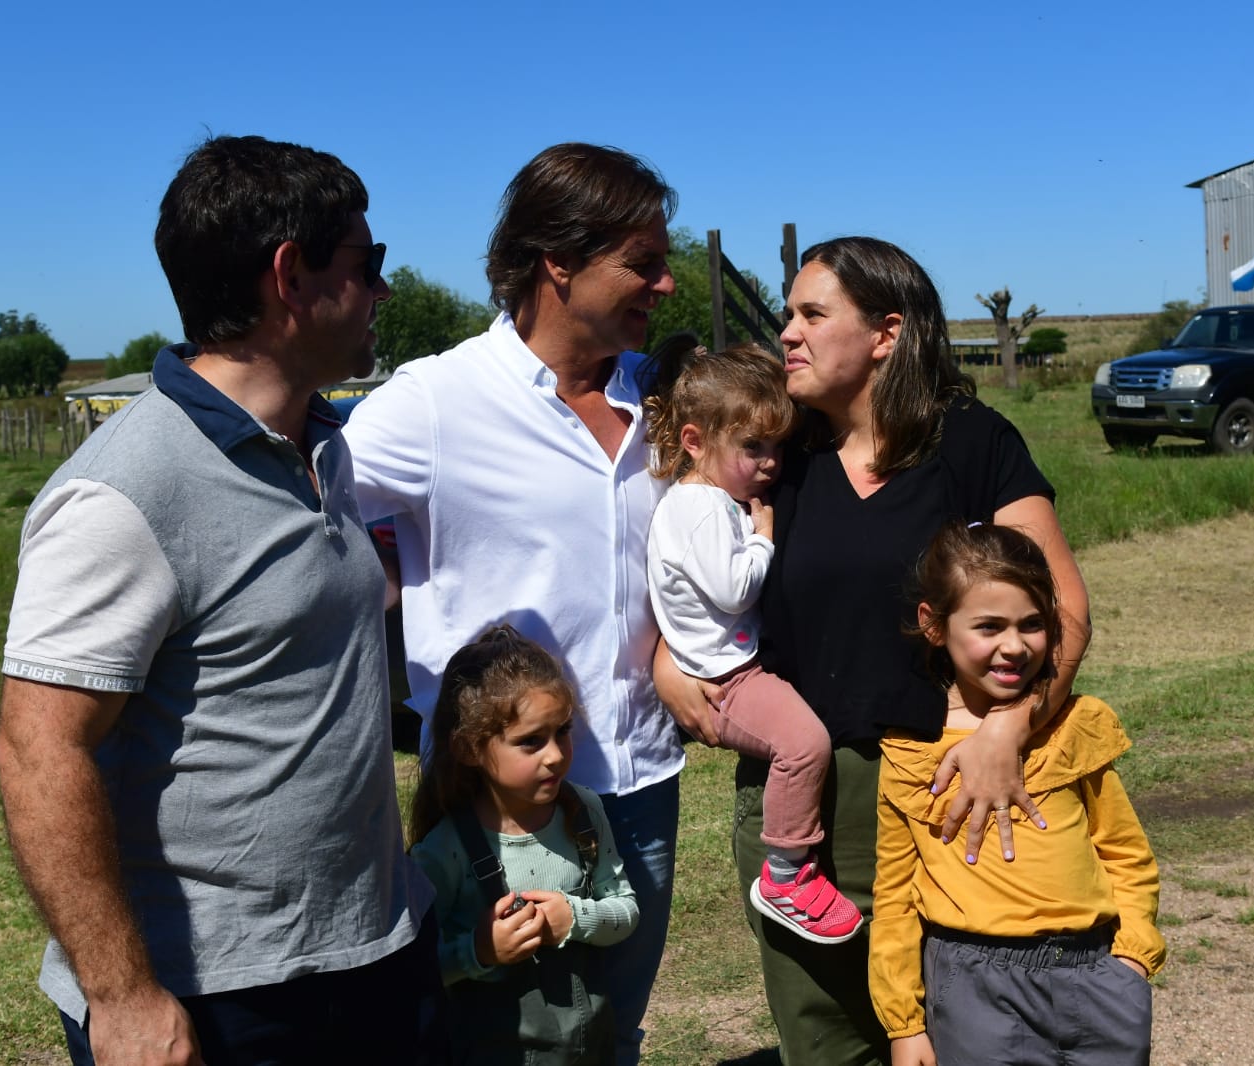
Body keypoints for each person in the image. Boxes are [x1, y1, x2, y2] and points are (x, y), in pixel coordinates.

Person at [0, 135, 446, 1064]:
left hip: (370, 950)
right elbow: (40, 749)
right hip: (219, 997)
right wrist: (122, 997)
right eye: (368, 263)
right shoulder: (125, 492)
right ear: (290, 275)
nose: (384, 290)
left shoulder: (324, 443)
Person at [658, 236, 1091, 1064]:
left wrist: (1010, 729)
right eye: (788, 314)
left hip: (952, 787)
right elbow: (676, 563)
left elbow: (1064, 608)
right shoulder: (773, 454)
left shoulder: (970, 442)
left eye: (811, 314)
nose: (787, 332)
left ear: (886, 333)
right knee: (827, 1043)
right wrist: (663, 662)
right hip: (805, 810)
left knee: (968, 1034)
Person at [344, 142, 680, 1063]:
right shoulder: (436, 404)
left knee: (609, 1031)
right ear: (558, 261)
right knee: (484, 1035)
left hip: (640, 786)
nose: (666, 284)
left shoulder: (657, 398)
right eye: (643, 263)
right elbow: (301, 509)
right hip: (490, 809)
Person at [871, 520, 1164, 1066]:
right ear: (933, 625)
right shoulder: (911, 752)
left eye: (1032, 624)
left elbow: (1126, 853)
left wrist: (1131, 960)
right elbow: (895, 898)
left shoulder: (1071, 728)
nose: (1013, 646)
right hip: (974, 989)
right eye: (989, 626)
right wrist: (903, 1024)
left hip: (1098, 977)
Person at [644, 340, 862, 945]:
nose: (770, 463)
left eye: (777, 447)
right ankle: (786, 874)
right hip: (727, 679)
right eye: (752, 447)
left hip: (731, 667)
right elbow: (735, 590)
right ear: (694, 441)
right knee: (804, 745)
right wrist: (763, 536)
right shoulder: (702, 508)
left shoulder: (705, 499)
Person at [409, 626, 639, 1063]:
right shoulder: (446, 849)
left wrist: (574, 917)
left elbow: (625, 909)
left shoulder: (583, 813)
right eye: (530, 741)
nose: (555, 755)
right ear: (470, 749)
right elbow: (412, 970)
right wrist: (479, 951)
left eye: (562, 731)